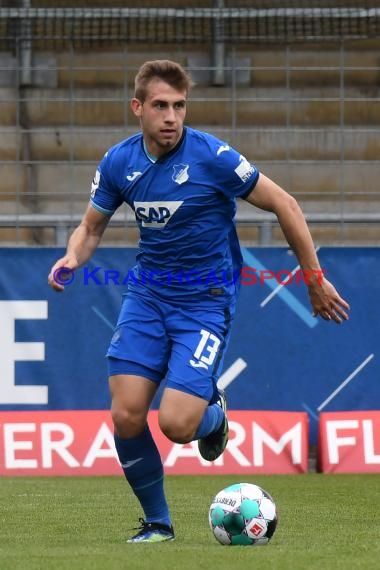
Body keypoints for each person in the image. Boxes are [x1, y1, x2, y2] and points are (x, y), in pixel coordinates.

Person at [48, 59, 350, 543]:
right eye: (161, 106)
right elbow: (90, 227)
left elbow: (285, 204)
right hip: (147, 297)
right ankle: (159, 524)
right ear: (138, 108)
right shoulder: (118, 163)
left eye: (180, 106)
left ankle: (216, 416)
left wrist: (312, 279)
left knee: (176, 424)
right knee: (125, 414)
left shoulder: (213, 157)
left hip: (205, 302)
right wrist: (71, 258)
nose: (171, 116)